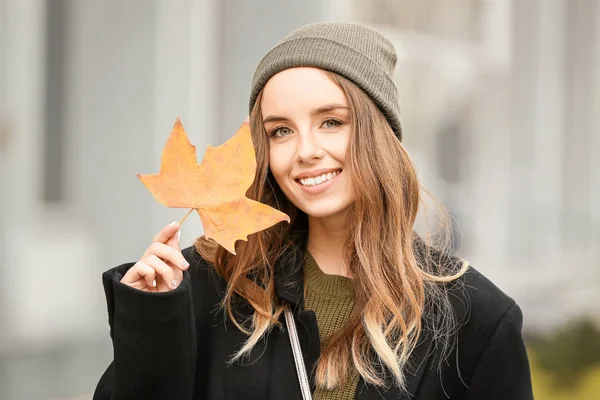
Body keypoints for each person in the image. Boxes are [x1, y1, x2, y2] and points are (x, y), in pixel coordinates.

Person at [94, 22, 533, 400]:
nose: (305, 151)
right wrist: (151, 324)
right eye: (281, 131)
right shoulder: (210, 283)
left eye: (331, 122)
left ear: (378, 133)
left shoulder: (476, 318)